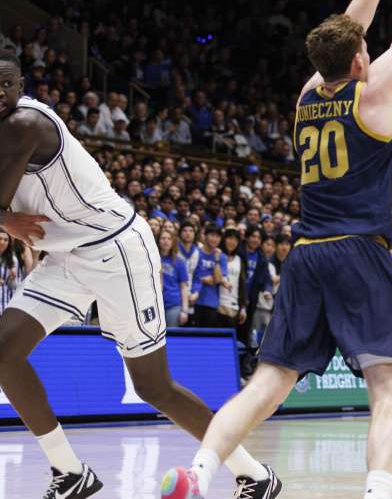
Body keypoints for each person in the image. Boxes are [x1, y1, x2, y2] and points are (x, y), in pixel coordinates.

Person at [161, 0, 392, 499]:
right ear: (358, 59)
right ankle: (378, 492)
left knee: (268, 382)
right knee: (388, 384)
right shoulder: (372, 96)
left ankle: (199, 474)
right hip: (359, 251)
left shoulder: (306, 94)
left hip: (304, 254)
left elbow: (346, 30)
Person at [0, 51, 276, 499]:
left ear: (22, 85)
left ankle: (255, 475)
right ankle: (70, 473)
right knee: (3, 352)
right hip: (66, 256)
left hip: (116, 250)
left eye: (7, 85)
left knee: (153, 386)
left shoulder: (23, 125)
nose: (0, 95)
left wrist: (8, 222)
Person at [158, 230, 190, 327]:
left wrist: (184, 310)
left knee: (171, 337)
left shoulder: (179, 262)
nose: (166, 241)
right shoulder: (152, 259)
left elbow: (184, 287)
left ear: (173, 242)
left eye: (169, 238)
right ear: (158, 241)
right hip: (155, 305)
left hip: (173, 305)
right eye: (163, 238)